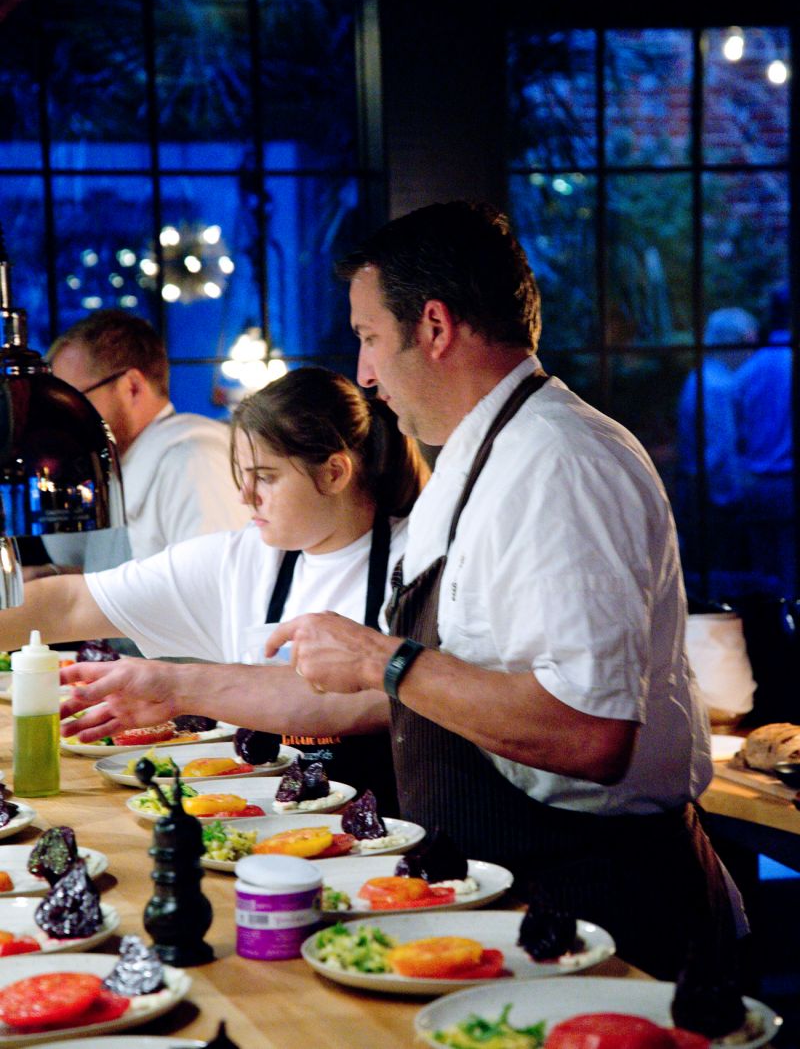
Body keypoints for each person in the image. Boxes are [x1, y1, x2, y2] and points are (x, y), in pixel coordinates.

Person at [55, 202, 740, 981]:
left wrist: (386, 659)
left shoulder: (559, 463)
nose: (367, 371)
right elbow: (387, 700)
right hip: (505, 886)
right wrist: (173, 685)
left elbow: (590, 735)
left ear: (437, 327)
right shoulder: (470, 464)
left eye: (371, 337)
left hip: (604, 903)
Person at [1, 367, 428, 811]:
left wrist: (178, 686)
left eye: (265, 476)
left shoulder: (416, 557)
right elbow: (67, 604)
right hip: (263, 830)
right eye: (242, 474)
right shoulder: (239, 560)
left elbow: (392, 698)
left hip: (391, 842)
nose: (246, 495)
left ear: (336, 472)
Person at [45, 310, 247, 564]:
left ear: (131, 387)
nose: (64, 418)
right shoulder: (113, 468)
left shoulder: (193, 458)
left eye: (74, 399)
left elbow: (217, 583)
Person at [676, 306, 758, 575]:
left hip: (702, 491)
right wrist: (734, 498)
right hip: (716, 498)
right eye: (749, 342)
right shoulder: (719, 387)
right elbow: (722, 451)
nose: (752, 352)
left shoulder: (700, 378)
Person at [735, 284, 794, 595]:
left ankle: (767, 638)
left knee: (764, 577)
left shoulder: (750, 370)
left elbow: (739, 431)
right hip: (788, 481)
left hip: (755, 483)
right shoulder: (785, 362)